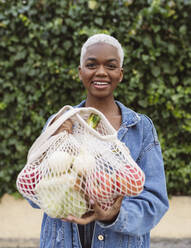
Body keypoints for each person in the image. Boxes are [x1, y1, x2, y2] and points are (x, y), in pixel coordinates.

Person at [28, 34, 169, 248]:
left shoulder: (140, 128)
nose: (101, 72)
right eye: (92, 64)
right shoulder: (59, 123)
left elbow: (155, 202)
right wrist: (53, 142)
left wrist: (115, 215)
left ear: (120, 74)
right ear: (81, 72)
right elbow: (33, 194)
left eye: (110, 66)